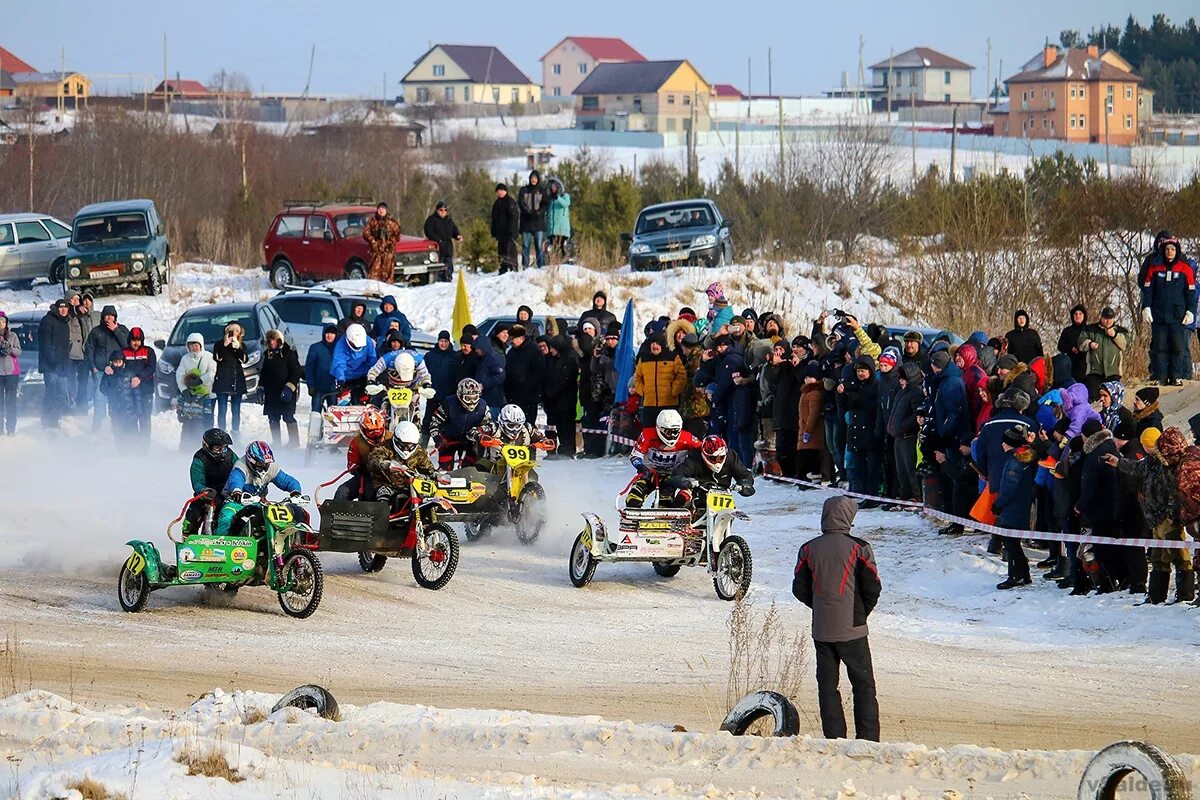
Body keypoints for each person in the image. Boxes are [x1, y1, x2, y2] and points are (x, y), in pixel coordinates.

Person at [792, 495, 881, 742]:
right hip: (852, 628)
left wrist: (820, 607)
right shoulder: (859, 547)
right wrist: (860, 612)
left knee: (828, 688)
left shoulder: (808, 548)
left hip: (822, 629)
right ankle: (868, 739)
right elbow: (873, 587)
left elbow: (799, 588)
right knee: (863, 686)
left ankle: (834, 739)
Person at [1140, 233, 1196, 386]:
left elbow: (1191, 292)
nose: (1169, 252)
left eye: (1172, 249)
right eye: (1167, 249)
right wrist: (1146, 307)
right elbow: (1147, 290)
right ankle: (1160, 376)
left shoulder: (1185, 269)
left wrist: (1191, 311)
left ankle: (1177, 376)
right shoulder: (1155, 268)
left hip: (1178, 316)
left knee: (1178, 346)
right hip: (1159, 315)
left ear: (1176, 250)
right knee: (1159, 346)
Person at [216, 441, 303, 539]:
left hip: (259, 503)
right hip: (236, 502)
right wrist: (236, 491)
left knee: (287, 515)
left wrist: (295, 491)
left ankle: (293, 541)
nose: (264, 466)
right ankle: (220, 543)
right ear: (251, 460)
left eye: (266, 463)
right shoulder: (241, 466)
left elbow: (286, 480)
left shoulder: (271, 467)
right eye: (260, 463)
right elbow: (236, 480)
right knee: (227, 518)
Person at [991, 424, 1039, 589]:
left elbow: (1009, 488)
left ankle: (1015, 576)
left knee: (1011, 543)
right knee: (1013, 542)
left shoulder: (1015, 463)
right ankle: (1023, 574)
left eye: (1004, 442)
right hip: (1021, 506)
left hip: (1013, 508)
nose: (1002, 445)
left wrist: (998, 504)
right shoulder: (1024, 458)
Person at [626, 409, 703, 508]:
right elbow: (635, 455)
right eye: (668, 432)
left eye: (676, 432)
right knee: (633, 500)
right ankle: (632, 521)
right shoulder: (647, 435)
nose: (672, 436)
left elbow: (704, 450)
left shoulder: (687, 438)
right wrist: (642, 468)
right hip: (649, 474)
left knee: (665, 505)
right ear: (659, 429)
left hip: (672, 477)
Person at [668, 435, 754, 520]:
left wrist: (744, 484)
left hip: (723, 494)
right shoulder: (695, 457)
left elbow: (745, 474)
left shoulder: (731, 457)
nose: (717, 462)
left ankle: (723, 530)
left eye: (721, 458)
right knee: (684, 496)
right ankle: (674, 521)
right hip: (698, 491)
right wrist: (686, 481)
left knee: (730, 511)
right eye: (713, 458)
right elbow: (677, 474)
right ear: (704, 454)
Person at [368, 420, 439, 513]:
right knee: (383, 498)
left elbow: (428, 468)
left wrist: (436, 475)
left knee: (429, 497)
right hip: (386, 484)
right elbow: (373, 461)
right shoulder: (384, 447)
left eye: (410, 445)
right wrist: (386, 464)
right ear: (396, 440)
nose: (406, 449)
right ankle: (381, 523)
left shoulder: (419, 452)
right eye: (403, 445)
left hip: (410, 485)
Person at [429, 378, 492, 470]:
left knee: (470, 470)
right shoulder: (448, 404)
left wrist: (478, 432)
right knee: (445, 467)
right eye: (468, 398)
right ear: (459, 395)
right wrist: (438, 438)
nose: (472, 402)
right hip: (448, 441)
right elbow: (434, 423)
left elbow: (488, 426)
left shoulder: (483, 407)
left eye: (475, 398)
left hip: (471, 442)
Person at [83, 305, 129, 432]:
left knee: (118, 399)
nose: (109, 318)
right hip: (101, 370)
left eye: (111, 316)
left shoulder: (122, 329)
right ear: (103, 317)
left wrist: (116, 331)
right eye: (106, 316)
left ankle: (119, 427)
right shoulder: (96, 331)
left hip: (118, 371)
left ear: (115, 317)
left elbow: (127, 346)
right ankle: (98, 427)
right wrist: (93, 367)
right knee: (99, 398)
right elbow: (90, 349)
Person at [183, 428, 235, 537]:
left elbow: (240, 471)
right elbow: (197, 481)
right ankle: (187, 541)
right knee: (193, 514)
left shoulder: (231, 456)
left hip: (228, 493)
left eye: (224, 448)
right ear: (207, 446)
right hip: (206, 494)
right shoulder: (199, 459)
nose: (221, 451)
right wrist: (203, 490)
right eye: (217, 448)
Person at [260, 329, 302, 448]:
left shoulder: (288, 353)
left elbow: (296, 371)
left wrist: (290, 387)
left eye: (273, 340)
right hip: (271, 392)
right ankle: (277, 442)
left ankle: (294, 442)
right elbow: (264, 373)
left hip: (285, 390)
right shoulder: (267, 355)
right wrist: (260, 387)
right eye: (269, 341)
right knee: (273, 417)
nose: (271, 343)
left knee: (288, 416)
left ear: (278, 341)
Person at [633, 333, 686, 427]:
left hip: (669, 406)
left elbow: (681, 375)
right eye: (652, 344)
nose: (654, 346)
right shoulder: (644, 359)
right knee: (649, 432)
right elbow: (637, 378)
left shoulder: (672, 357)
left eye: (657, 343)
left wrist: (673, 391)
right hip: (649, 406)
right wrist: (643, 391)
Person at [335, 407, 388, 501]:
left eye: (378, 430)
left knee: (370, 492)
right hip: (366, 476)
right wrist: (358, 469)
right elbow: (352, 464)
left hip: (388, 479)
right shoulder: (356, 442)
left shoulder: (391, 438)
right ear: (363, 430)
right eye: (371, 432)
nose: (376, 435)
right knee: (342, 492)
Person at [1078, 307, 1129, 401]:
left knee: (1113, 399)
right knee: (1095, 399)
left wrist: (1115, 336)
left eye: (1110, 319)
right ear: (1101, 318)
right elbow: (1080, 343)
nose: (1108, 321)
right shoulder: (1090, 329)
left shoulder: (1121, 331)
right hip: (1095, 372)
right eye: (1105, 318)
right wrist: (1089, 344)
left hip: (1114, 372)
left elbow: (1125, 345)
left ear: (1114, 319)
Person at [176, 332, 216, 449]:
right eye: (191, 345)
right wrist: (184, 390)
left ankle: (208, 445)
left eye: (196, 345)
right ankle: (188, 445)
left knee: (206, 421)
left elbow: (212, 372)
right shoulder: (185, 359)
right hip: (191, 396)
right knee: (190, 421)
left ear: (201, 345)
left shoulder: (208, 357)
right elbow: (179, 375)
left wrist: (200, 380)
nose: (194, 347)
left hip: (207, 394)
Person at [542, 335, 579, 458]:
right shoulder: (553, 359)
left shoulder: (570, 359)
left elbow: (565, 380)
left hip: (566, 400)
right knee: (555, 426)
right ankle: (556, 449)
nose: (550, 350)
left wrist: (551, 391)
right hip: (554, 401)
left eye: (552, 348)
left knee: (566, 427)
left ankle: (568, 449)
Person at [38, 299, 73, 428]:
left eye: (66, 308)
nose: (63, 310)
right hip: (51, 365)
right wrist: (53, 359)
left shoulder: (65, 322)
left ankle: (55, 419)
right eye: (61, 308)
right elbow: (45, 343)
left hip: (63, 365)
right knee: (51, 393)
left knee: (61, 394)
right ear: (56, 309)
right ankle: (47, 421)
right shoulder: (47, 321)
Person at [504, 324, 544, 426]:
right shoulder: (512, 352)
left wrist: (527, 388)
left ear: (521, 337)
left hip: (528, 398)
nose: (511, 341)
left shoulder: (534, 350)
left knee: (527, 425)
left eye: (513, 338)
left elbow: (538, 373)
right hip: (513, 397)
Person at [211, 322, 247, 436]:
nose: (234, 333)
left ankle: (236, 432)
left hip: (237, 381)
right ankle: (222, 433)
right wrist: (224, 345)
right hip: (222, 380)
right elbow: (217, 358)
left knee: (236, 411)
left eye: (236, 331)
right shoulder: (219, 344)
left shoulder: (242, 345)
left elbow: (244, 360)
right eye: (231, 331)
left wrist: (237, 348)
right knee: (222, 410)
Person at [121, 327, 156, 443]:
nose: (136, 343)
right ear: (129, 340)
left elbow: (151, 368)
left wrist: (139, 378)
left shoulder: (148, 351)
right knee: (131, 417)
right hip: (129, 392)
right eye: (134, 340)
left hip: (145, 391)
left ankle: (144, 445)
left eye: (138, 340)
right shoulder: (124, 352)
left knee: (144, 418)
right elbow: (118, 365)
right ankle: (133, 443)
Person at [99, 351, 136, 444]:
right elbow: (102, 387)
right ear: (112, 362)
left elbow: (136, 391)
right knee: (117, 428)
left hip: (128, 407)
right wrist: (112, 392)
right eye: (115, 362)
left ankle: (132, 447)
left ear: (123, 362)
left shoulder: (129, 373)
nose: (118, 364)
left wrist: (137, 406)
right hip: (114, 406)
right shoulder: (108, 374)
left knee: (129, 428)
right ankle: (120, 448)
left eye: (119, 362)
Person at [331, 323, 377, 398]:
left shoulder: (368, 342)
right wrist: (341, 379)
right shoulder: (341, 345)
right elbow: (339, 363)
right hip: (346, 378)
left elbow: (372, 359)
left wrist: (372, 376)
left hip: (363, 375)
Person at [362, 202, 401, 283]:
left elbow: (397, 235)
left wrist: (390, 241)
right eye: (379, 209)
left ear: (386, 210)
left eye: (383, 209)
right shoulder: (372, 220)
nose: (381, 211)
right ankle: (373, 288)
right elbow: (366, 233)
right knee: (374, 272)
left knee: (387, 273)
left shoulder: (391, 221)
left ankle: (387, 288)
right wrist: (373, 241)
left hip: (388, 251)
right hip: (376, 251)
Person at [423, 201, 462, 281]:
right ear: (437, 210)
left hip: (448, 247)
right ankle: (438, 280)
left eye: (445, 210)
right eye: (441, 210)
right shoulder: (431, 220)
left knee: (448, 266)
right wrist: (438, 240)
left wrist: (457, 236)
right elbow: (429, 232)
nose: (443, 212)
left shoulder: (448, 220)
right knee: (438, 267)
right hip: (437, 249)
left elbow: (454, 229)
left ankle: (448, 278)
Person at [517, 170, 548, 269]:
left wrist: (539, 212)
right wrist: (527, 211)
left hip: (538, 223)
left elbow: (545, 204)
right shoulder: (524, 190)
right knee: (526, 246)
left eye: (535, 178)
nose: (533, 180)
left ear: (538, 179)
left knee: (539, 246)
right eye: (532, 178)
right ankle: (525, 266)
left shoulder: (542, 190)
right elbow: (520, 203)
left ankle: (541, 266)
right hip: (526, 222)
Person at [304, 324, 339, 412]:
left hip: (333, 390)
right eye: (327, 333)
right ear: (324, 334)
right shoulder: (315, 348)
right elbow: (309, 368)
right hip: (318, 389)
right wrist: (310, 385)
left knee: (334, 415)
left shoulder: (339, 349)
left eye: (332, 333)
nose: (329, 335)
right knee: (316, 414)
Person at [490, 183, 520, 274]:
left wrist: (512, 231)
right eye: (498, 191)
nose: (500, 193)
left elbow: (514, 217)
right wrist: (493, 231)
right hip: (500, 233)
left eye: (502, 191)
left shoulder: (510, 202)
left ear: (505, 191)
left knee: (509, 250)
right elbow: (494, 219)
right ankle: (503, 268)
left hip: (509, 232)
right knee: (501, 251)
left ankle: (513, 268)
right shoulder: (496, 203)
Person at [1057, 305, 1089, 384]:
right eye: (1076, 314)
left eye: (1080, 314)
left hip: (1086, 364)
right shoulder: (1067, 331)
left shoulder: (1089, 330)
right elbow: (1060, 346)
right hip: (1071, 365)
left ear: (1084, 316)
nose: (1078, 316)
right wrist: (1071, 348)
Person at [0, 312, 20, 435]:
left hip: (12, 373)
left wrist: (9, 348)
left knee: (11, 402)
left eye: (3, 321)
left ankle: (11, 428)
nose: (1, 324)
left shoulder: (13, 335)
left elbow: (18, 351)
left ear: (6, 323)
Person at [546, 177, 571, 263]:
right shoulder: (550, 199)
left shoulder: (565, 196)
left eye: (555, 187)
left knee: (560, 247)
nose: (553, 188)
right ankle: (554, 264)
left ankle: (563, 263)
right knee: (553, 248)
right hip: (552, 229)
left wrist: (557, 197)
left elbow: (566, 204)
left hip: (562, 229)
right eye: (551, 187)